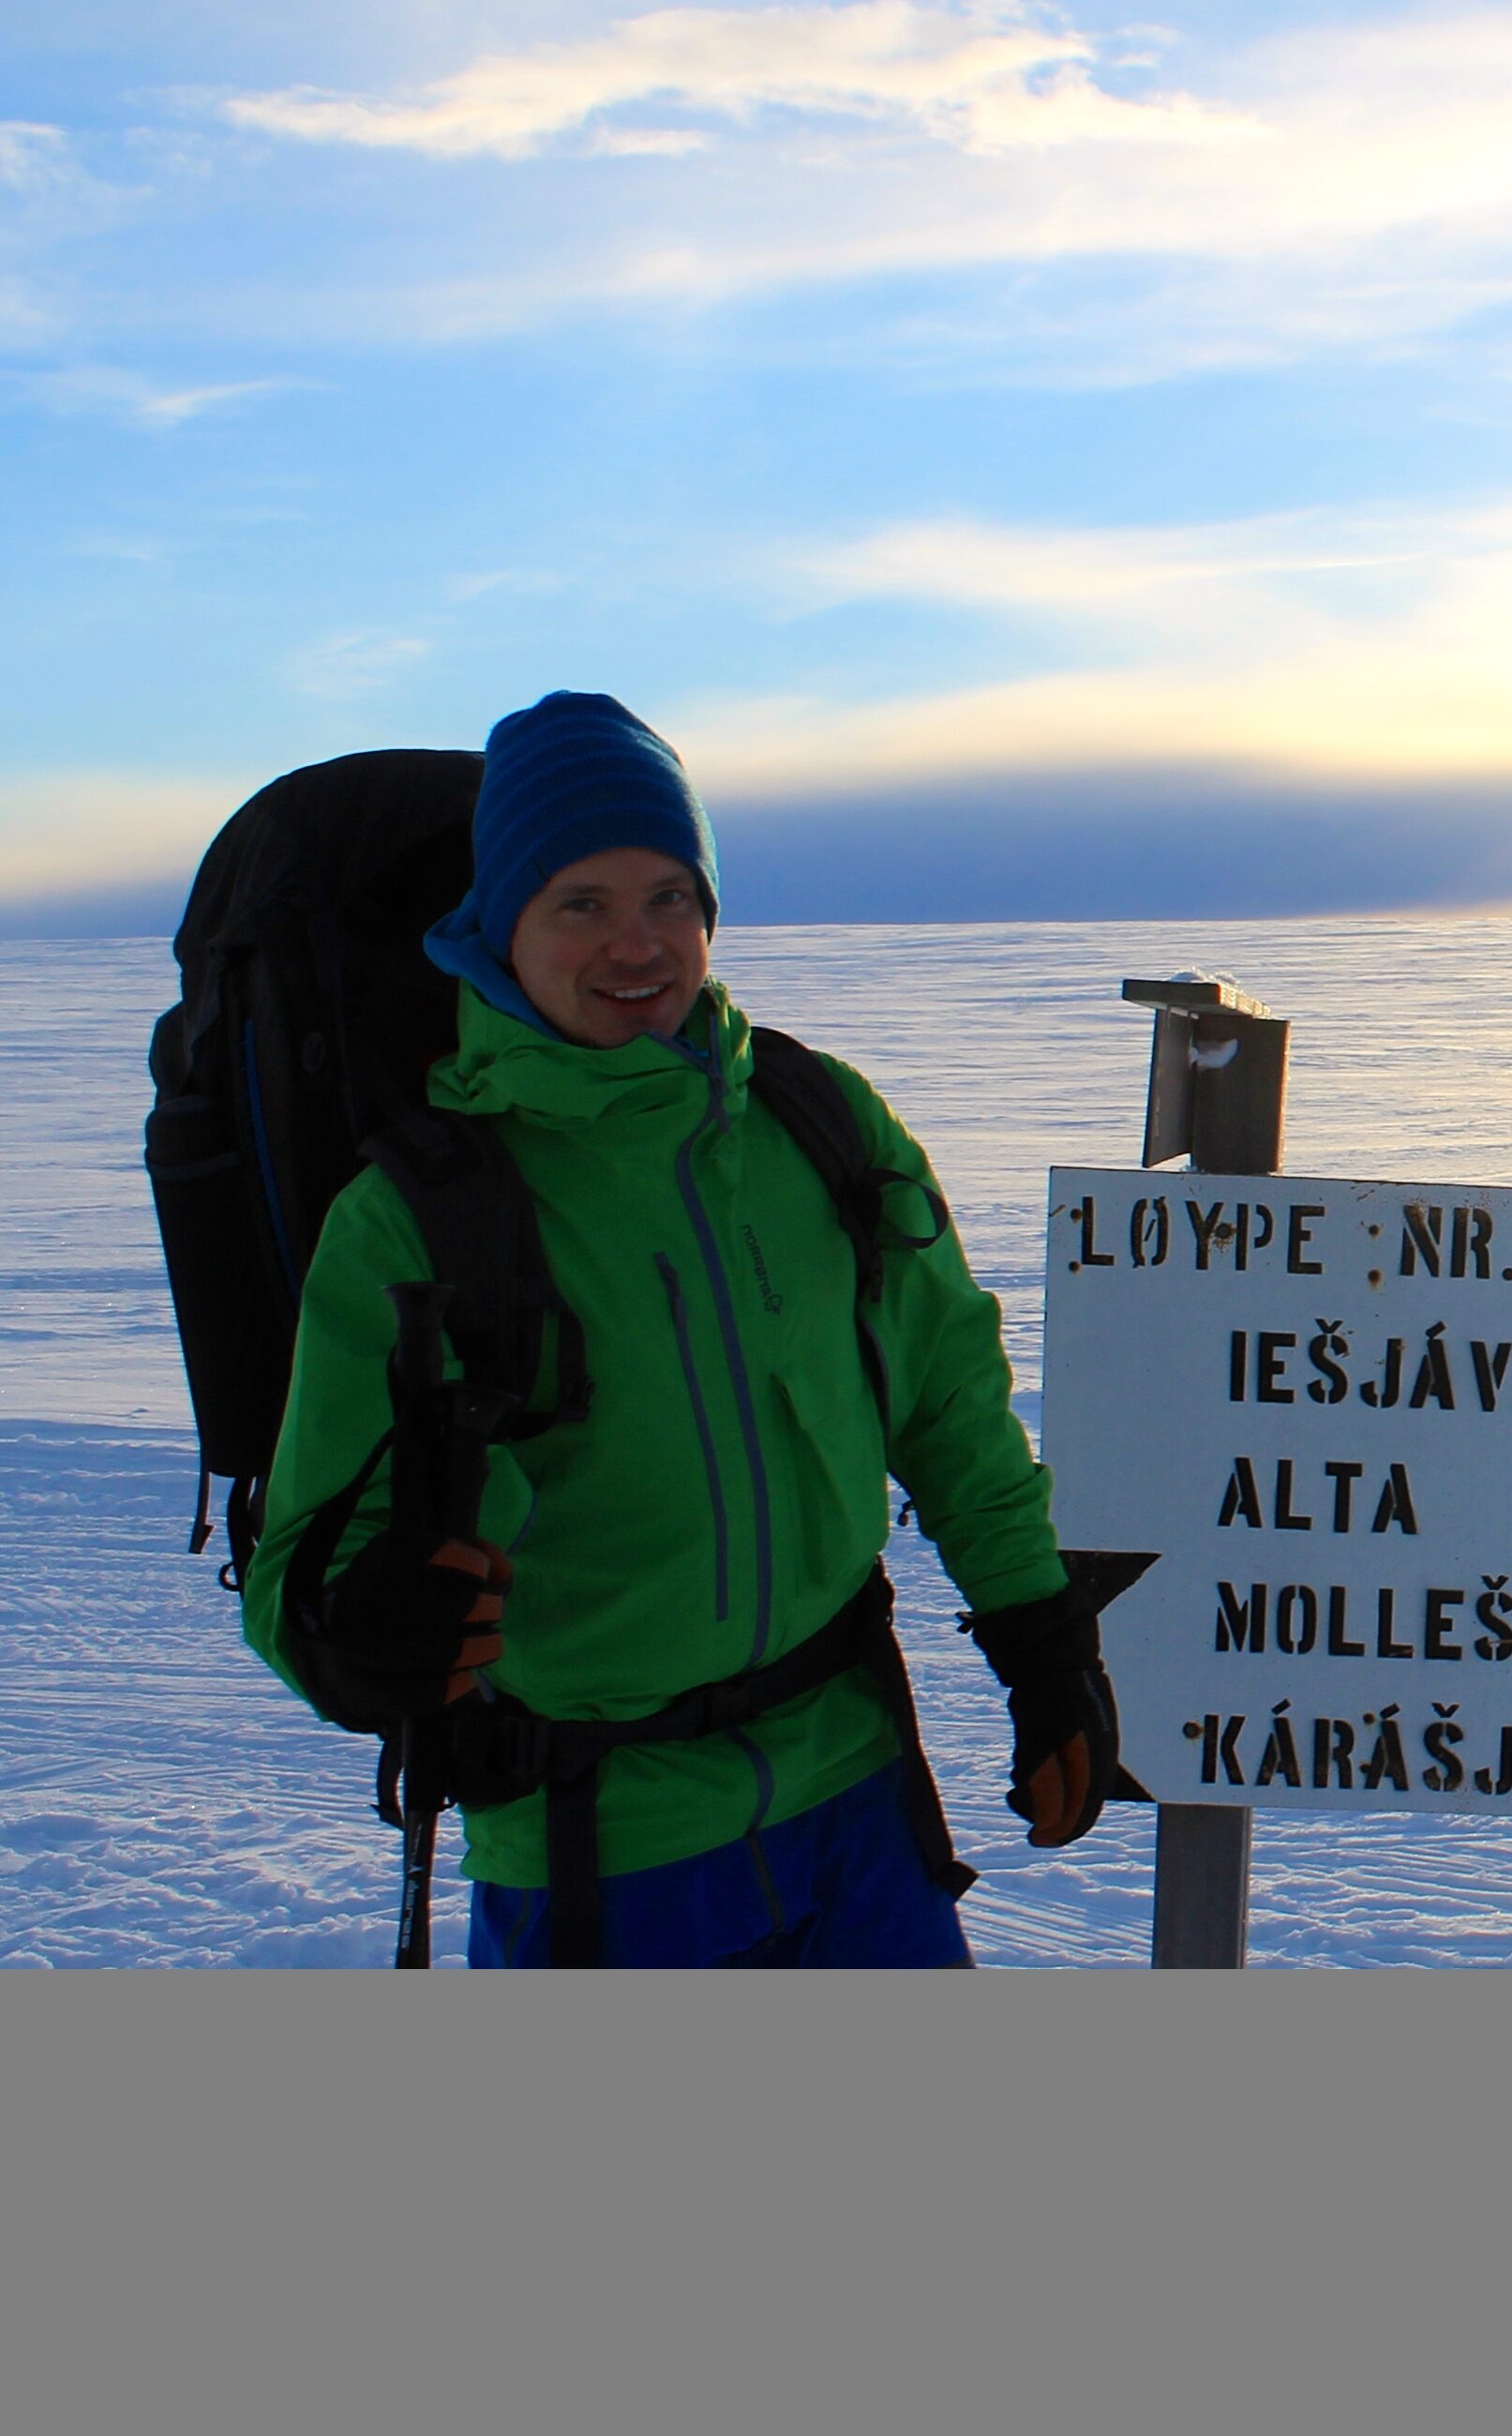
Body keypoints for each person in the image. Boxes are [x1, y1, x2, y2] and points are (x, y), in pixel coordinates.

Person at [243, 690, 1117, 1966]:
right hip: (603, 1844)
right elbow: (307, 1567)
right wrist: (357, 1643)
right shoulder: (423, 1213)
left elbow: (946, 1406)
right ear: (501, 927)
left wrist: (1043, 1644)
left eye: (668, 896)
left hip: (856, 1789)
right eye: (579, 903)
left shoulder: (819, 1125)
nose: (635, 944)